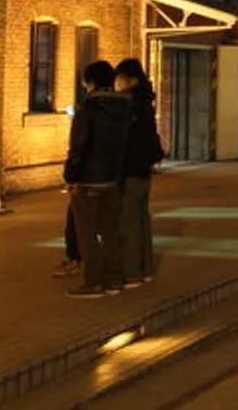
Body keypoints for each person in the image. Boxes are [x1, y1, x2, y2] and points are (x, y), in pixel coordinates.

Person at [63, 61, 132, 298]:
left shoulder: (88, 109)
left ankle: (92, 282)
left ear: (89, 82)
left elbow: (78, 146)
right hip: (113, 178)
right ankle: (114, 279)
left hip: (88, 178)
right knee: (111, 231)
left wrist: (71, 175)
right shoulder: (124, 107)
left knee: (87, 233)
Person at [116, 58, 164, 288]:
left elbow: (125, 139)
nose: (116, 83)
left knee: (129, 220)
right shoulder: (145, 103)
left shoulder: (128, 104)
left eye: (119, 78)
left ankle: (131, 271)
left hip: (130, 169)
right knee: (142, 218)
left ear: (130, 79)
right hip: (144, 168)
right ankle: (145, 268)